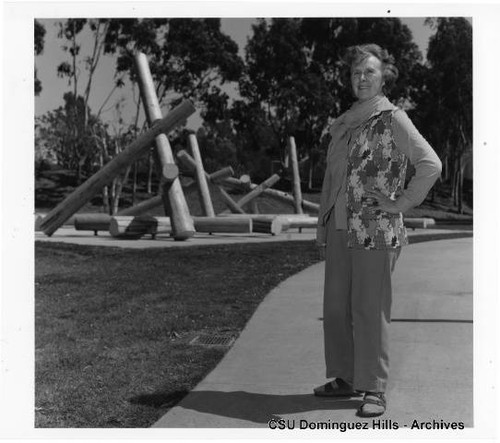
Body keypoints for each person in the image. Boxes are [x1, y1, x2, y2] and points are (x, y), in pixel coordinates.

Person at [314, 43, 442, 418]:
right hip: (339, 230)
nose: (362, 78)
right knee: (336, 309)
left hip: (376, 228)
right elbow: (330, 181)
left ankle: (374, 388)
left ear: (384, 75)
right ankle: (343, 378)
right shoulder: (343, 123)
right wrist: (322, 229)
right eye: (356, 73)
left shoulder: (393, 119)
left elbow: (430, 163)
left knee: (369, 310)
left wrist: (401, 202)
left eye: (369, 71)